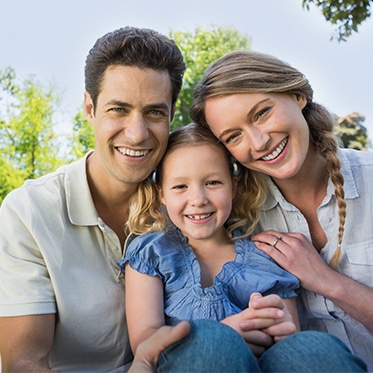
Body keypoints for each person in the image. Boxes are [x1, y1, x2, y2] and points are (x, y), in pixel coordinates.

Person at [0, 26, 255, 373]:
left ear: (170, 114)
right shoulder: (29, 212)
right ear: (90, 108)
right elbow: (23, 362)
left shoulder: (190, 207)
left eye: (153, 112)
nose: (137, 134)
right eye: (118, 109)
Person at [190, 49, 372, 371]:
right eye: (234, 136)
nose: (258, 142)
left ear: (297, 95)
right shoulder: (235, 219)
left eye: (261, 113)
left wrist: (327, 281)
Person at [119, 123, 301, 359]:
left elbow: (291, 341)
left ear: (233, 186)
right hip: (187, 366)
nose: (198, 199)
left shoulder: (264, 256)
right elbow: (145, 344)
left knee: (314, 347)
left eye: (212, 183)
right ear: (161, 193)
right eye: (180, 186)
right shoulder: (152, 253)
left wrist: (275, 326)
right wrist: (224, 334)